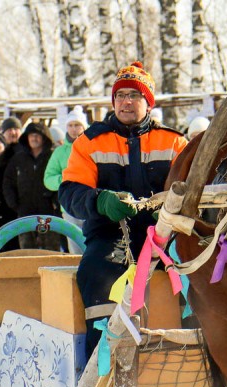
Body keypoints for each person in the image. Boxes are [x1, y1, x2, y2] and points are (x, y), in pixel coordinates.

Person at [59, 61, 188, 356]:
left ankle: (188, 356)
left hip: (167, 237)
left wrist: (171, 208)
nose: (126, 102)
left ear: (148, 102)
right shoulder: (89, 142)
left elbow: (193, 189)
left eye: (134, 95)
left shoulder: (174, 142)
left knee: (199, 274)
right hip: (111, 236)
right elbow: (69, 193)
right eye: (120, 95)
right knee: (95, 272)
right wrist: (100, 201)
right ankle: (100, 362)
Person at [3, 121, 60, 250]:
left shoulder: (52, 156)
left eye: (37, 135)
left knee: (51, 251)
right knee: (27, 251)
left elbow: (61, 178)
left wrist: (56, 202)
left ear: (44, 137)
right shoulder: (18, 158)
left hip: (48, 212)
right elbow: (8, 182)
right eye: (31, 135)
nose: (34, 138)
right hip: (24, 211)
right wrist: (13, 203)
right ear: (26, 138)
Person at [44, 105, 89, 254]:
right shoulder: (60, 152)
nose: (74, 129)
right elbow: (48, 179)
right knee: (75, 249)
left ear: (84, 126)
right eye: (70, 125)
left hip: (92, 204)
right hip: (69, 206)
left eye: (77, 125)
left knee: (94, 246)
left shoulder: (93, 147)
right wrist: (66, 178)